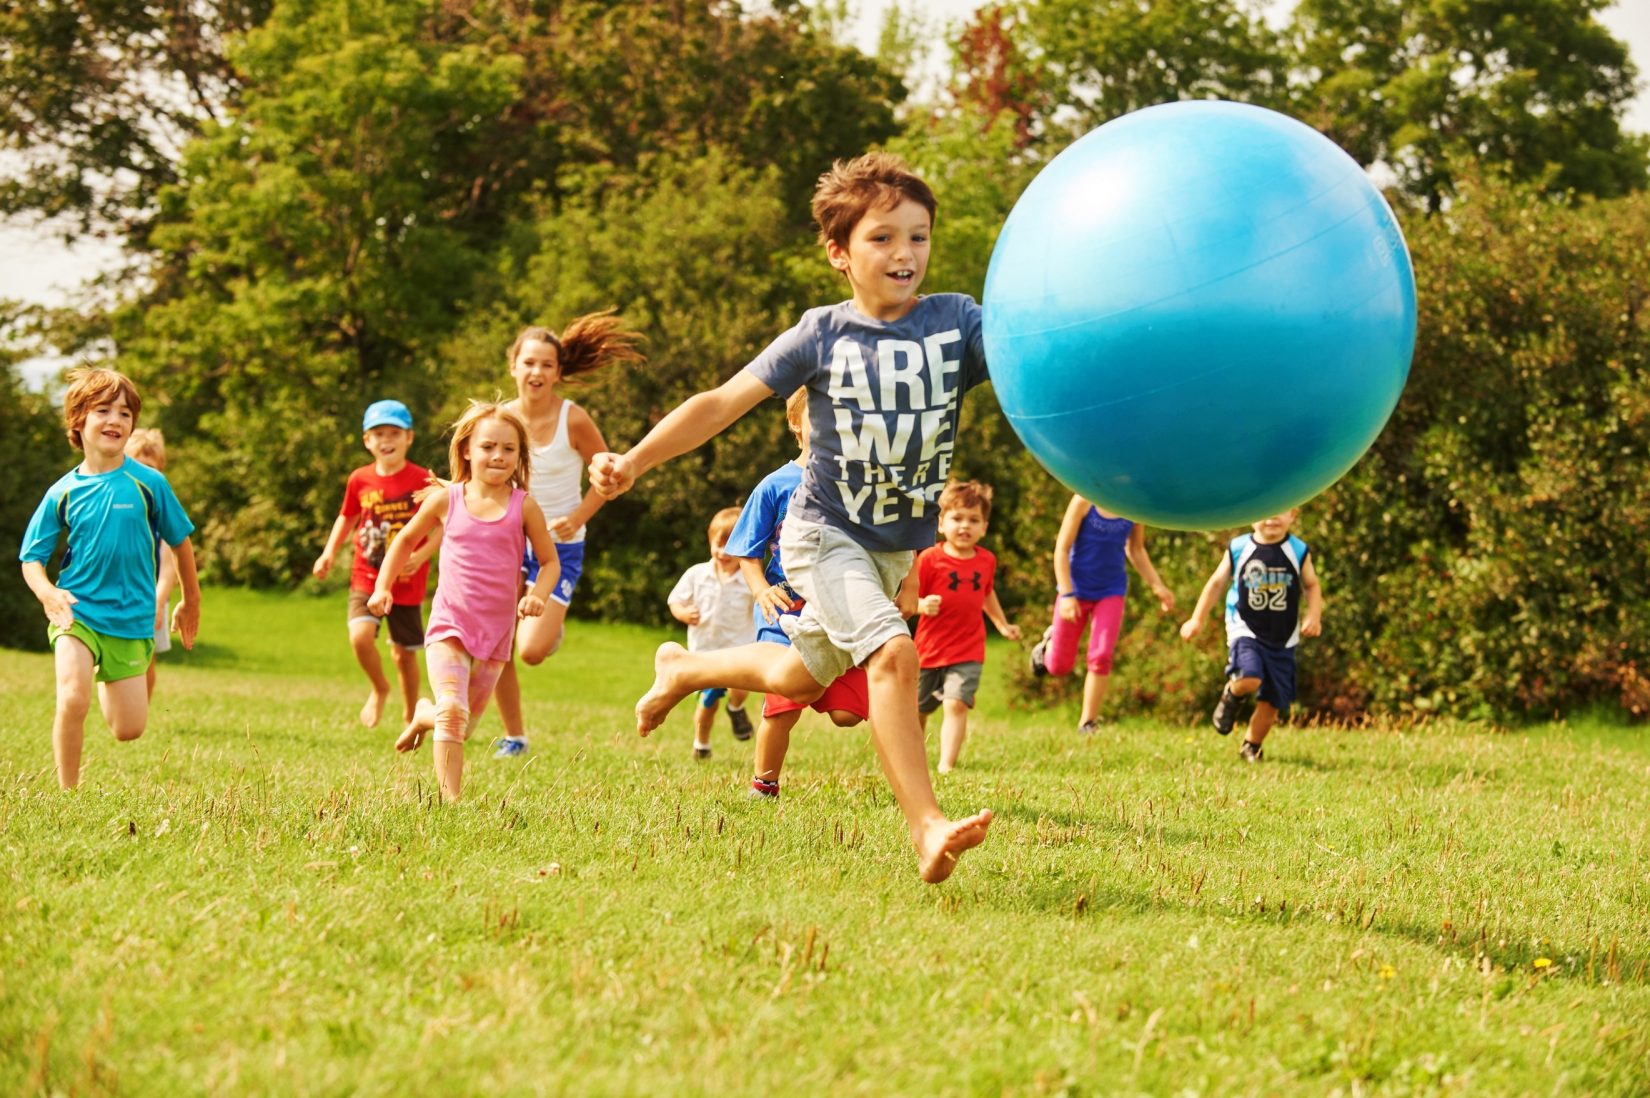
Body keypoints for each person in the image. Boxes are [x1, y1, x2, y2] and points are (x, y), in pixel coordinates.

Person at [588, 151, 994, 883]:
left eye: (919, 236)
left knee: (800, 678)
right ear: (839, 252)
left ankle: (683, 669)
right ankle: (927, 826)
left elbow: (1046, 355)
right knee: (894, 655)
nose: (905, 253)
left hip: (894, 550)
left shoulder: (958, 323)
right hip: (823, 534)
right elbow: (718, 403)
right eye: (882, 238)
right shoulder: (821, 334)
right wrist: (636, 460)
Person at [19, 367, 202, 789]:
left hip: (131, 619)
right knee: (72, 697)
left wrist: (191, 600)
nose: (116, 420)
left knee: (128, 729)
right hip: (76, 611)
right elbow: (32, 558)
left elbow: (182, 543)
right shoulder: (61, 492)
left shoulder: (149, 483)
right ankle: (67, 792)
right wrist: (48, 593)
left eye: (125, 412)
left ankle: (105, 675)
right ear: (78, 421)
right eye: (104, 410)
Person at [369, 402, 558, 802]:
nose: (498, 456)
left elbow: (550, 563)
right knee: (453, 713)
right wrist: (383, 587)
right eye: (488, 446)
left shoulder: (524, 507)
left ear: (519, 456)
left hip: (495, 634)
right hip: (449, 625)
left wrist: (538, 595)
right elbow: (404, 541)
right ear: (467, 450)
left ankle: (425, 713)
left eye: (509, 449)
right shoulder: (447, 499)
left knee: (461, 725)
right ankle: (449, 800)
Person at [490, 312, 645, 759]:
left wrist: (578, 518)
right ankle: (514, 736)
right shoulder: (501, 420)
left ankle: (547, 631)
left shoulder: (574, 420)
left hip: (558, 547)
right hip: (508, 542)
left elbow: (609, 479)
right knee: (498, 642)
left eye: (546, 364)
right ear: (513, 367)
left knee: (532, 652)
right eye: (529, 362)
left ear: (558, 372)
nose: (536, 372)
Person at [725, 390, 868, 798]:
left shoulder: (854, 484)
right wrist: (761, 591)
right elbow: (746, 552)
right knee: (785, 703)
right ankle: (764, 784)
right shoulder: (775, 485)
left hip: (838, 610)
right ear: (795, 424)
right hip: (785, 609)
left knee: (845, 715)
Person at [312, 400, 439, 730]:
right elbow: (347, 517)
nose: (387, 440)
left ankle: (411, 715)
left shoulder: (423, 480)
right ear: (367, 440)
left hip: (407, 580)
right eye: (379, 433)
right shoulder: (359, 479)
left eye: (394, 433)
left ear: (409, 437)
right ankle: (380, 687)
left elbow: (443, 524)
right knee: (360, 637)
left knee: (404, 653)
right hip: (366, 574)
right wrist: (328, 553)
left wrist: (422, 556)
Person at [1179, 508, 1324, 761]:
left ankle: (1252, 745)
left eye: (1281, 511)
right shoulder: (1239, 547)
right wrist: (1197, 619)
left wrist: (1314, 616)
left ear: (1294, 514)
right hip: (1244, 626)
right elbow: (1215, 584)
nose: (1272, 518)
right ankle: (1232, 694)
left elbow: (1311, 585)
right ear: (1251, 514)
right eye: (1266, 511)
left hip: (1283, 635)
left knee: (1273, 702)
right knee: (1250, 676)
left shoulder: (1298, 550)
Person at [899, 480, 1020, 773]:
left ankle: (946, 765)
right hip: (929, 649)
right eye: (957, 518)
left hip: (968, 649)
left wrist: (1002, 625)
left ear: (984, 528)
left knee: (956, 704)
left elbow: (987, 594)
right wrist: (922, 604)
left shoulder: (986, 561)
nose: (965, 526)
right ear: (941, 523)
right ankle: (914, 759)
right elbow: (909, 597)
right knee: (919, 709)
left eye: (973, 520)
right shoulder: (929, 559)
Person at [1029, 495, 1177, 733]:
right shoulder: (1084, 501)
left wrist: (1157, 585)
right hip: (1075, 591)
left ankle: (1088, 722)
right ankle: (1047, 646)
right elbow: (1062, 549)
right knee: (1059, 667)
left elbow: (1136, 549)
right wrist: (1066, 594)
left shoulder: (1133, 505)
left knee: (1101, 655)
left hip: (1111, 591)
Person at [668, 507, 758, 759]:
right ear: (710, 542)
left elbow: (760, 609)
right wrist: (683, 613)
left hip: (738, 651)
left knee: (741, 688)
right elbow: (675, 600)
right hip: (704, 654)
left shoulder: (750, 580)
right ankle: (701, 744)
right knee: (707, 703)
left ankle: (736, 707)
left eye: (732, 546)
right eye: (719, 544)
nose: (724, 552)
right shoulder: (697, 575)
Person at [124, 428, 182, 700]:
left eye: (149, 467)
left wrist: (158, 604)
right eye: (135, 465)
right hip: (117, 594)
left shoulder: (160, 511)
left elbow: (169, 567)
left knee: (146, 658)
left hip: (151, 596)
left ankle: (141, 706)